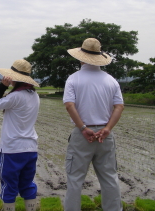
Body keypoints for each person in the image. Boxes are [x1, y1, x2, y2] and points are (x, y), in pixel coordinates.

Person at [63, 38, 124, 211]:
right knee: (109, 177)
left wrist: (83, 128)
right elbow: (119, 106)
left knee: (75, 179)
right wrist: (107, 129)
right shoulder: (111, 80)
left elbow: (69, 105)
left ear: (81, 57)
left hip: (83, 135)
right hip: (105, 136)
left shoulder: (74, 79)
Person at [0, 59, 40, 211]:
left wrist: (2, 86)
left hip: (12, 149)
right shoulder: (34, 96)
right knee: (27, 185)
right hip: (30, 148)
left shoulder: (14, 97)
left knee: (9, 186)